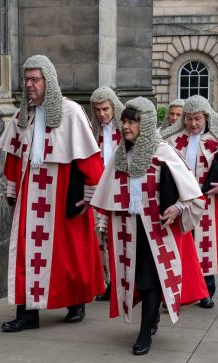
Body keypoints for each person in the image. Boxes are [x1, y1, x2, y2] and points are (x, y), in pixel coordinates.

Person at [91, 97, 208, 355]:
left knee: (150, 280)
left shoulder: (162, 151)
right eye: (124, 121)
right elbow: (107, 194)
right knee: (135, 278)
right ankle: (151, 317)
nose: (126, 126)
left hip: (155, 230)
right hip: (127, 230)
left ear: (144, 123)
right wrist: (103, 222)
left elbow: (191, 193)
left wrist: (177, 208)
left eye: (132, 121)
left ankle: (144, 333)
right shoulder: (120, 155)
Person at [0, 55, 104, 332]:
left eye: (34, 79)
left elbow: (89, 157)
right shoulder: (23, 115)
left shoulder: (71, 112)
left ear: (49, 81)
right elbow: (13, 155)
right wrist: (10, 187)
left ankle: (76, 302)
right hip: (29, 196)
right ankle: (27, 314)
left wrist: (91, 192)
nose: (29, 85)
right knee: (24, 253)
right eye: (26, 79)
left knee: (68, 255)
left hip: (62, 192)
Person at [161, 95, 218, 309]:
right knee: (181, 247)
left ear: (207, 118)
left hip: (210, 204)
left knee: (205, 249)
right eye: (189, 118)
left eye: (198, 119)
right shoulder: (172, 139)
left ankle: (206, 292)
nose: (193, 124)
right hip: (181, 202)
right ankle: (179, 292)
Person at [89, 86, 125, 302]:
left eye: (105, 109)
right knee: (102, 240)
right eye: (98, 110)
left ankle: (122, 284)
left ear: (113, 106)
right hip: (99, 192)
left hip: (120, 190)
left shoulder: (125, 128)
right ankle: (108, 284)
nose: (102, 114)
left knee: (119, 240)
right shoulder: (94, 131)